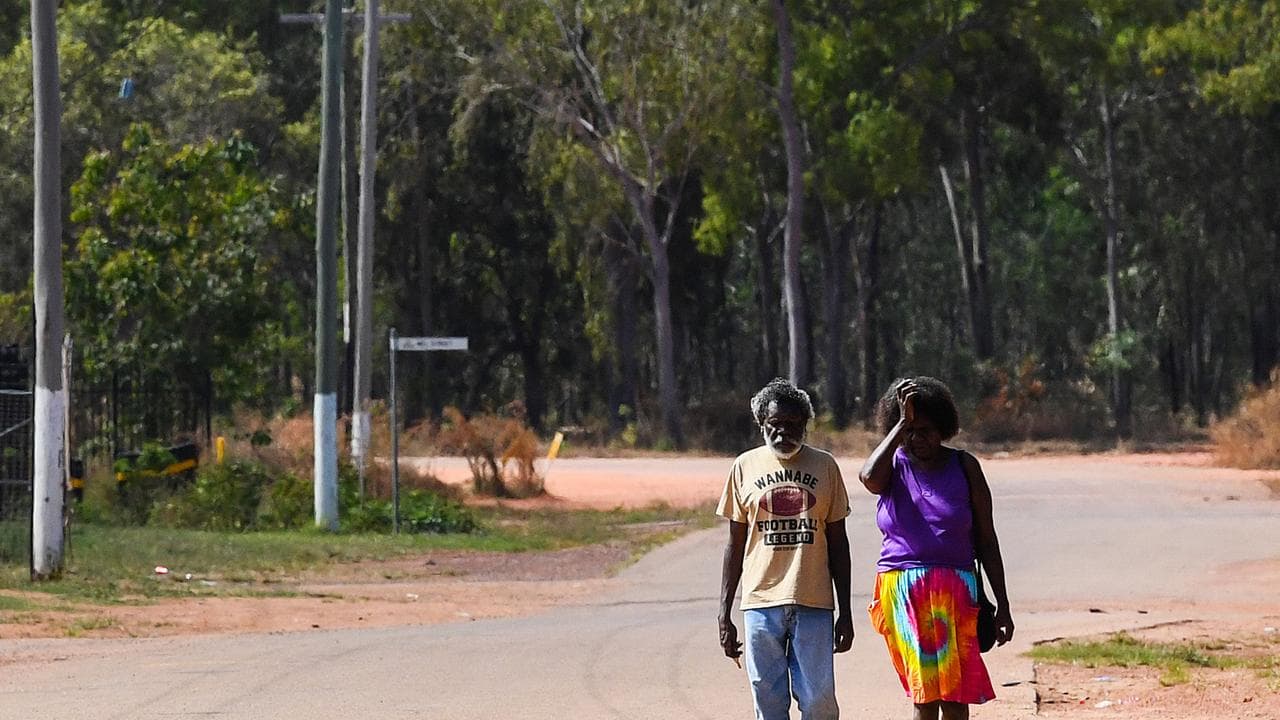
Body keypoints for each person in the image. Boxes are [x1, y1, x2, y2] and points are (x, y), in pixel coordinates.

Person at [859, 377, 1014, 720]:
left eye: (925, 430)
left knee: (957, 697)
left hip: (956, 594)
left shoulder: (965, 466)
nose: (918, 439)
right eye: (910, 431)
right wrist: (901, 424)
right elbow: (868, 478)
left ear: (943, 428)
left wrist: (1002, 603)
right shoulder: (893, 465)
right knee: (925, 695)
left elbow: (987, 539)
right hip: (903, 591)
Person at [718, 378, 854, 720]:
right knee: (767, 700)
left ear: (806, 426)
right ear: (763, 424)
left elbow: (839, 543)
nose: (783, 433)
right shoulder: (744, 467)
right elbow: (735, 545)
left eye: (793, 425)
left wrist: (846, 612)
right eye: (775, 425)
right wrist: (724, 612)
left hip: (814, 603)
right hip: (761, 604)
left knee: (820, 701)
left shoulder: (825, 467)